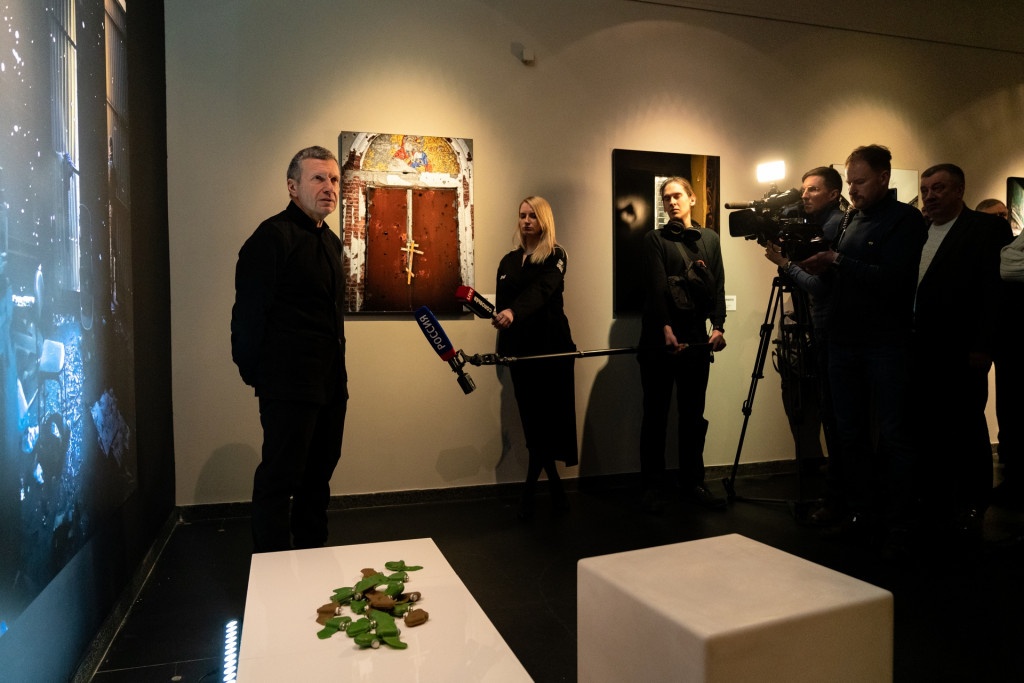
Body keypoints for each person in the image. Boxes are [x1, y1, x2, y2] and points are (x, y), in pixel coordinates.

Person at [799, 145, 927, 549]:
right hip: (843, 339)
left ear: (884, 178)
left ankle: (900, 521)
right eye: (849, 181)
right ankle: (859, 511)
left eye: (860, 181)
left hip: (885, 341)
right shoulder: (851, 219)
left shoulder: (905, 219)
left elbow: (894, 280)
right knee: (848, 432)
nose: (852, 189)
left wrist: (836, 261)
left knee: (894, 433)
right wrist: (816, 263)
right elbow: (839, 274)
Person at [231, 146, 348, 553]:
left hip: (330, 385)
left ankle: (313, 555)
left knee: (319, 476)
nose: (329, 187)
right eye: (318, 178)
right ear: (292, 187)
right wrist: (259, 375)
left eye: (334, 179)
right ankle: (272, 567)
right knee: (279, 479)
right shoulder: (271, 238)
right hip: (288, 385)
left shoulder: (331, 243)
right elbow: (248, 316)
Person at [912, 168, 1012, 538]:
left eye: (938, 188)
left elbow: (993, 291)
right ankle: (937, 500)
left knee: (967, 426)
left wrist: (984, 344)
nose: (930, 196)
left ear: (959, 190)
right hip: (921, 346)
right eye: (925, 189)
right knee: (929, 427)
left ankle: (973, 503)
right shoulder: (920, 230)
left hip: (962, 347)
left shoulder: (985, 229)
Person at [637, 177, 727, 514]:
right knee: (655, 415)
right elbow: (657, 287)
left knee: (693, 416)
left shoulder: (710, 239)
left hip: (695, 339)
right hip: (658, 340)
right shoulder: (655, 239)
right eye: (666, 198)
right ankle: (653, 485)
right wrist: (665, 327)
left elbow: (718, 284)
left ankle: (694, 482)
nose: (672, 202)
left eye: (677, 196)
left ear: (692, 198)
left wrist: (718, 325)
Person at [764, 166, 845, 521]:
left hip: (831, 332)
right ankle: (829, 485)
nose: (805, 195)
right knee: (817, 407)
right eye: (803, 189)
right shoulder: (813, 225)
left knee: (835, 413)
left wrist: (785, 264)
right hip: (817, 330)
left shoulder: (835, 227)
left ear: (833, 193)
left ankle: (839, 494)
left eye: (813, 189)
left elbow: (820, 287)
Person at [493, 196, 577, 519]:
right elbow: (501, 306)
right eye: (522, 215)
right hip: (520, 351)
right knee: (532, 419)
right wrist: (501, 335)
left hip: (552, 347)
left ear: (544, 221)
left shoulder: (556, 255)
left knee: (550, 419)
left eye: (532, 216)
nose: (526, 221)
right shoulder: (508, 261)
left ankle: (531, 489)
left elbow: (542, 291)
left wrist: (513, 312)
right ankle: (553, 484)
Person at [980, 198, 1024, 508]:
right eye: (994, 217)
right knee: (1010, 404)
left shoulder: (1007, 249)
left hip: (1013, 340)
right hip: (1004, 340)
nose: (1001, 222)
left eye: (1004, 216)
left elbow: (1008, 267)